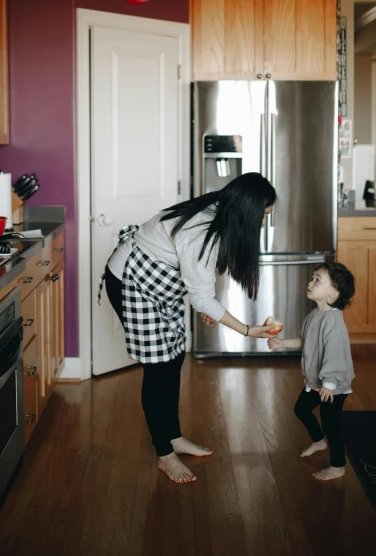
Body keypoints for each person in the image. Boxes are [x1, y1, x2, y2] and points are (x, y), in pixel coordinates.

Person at [100, 172, 276, 484]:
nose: (262, 223)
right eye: (262, 216)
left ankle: (173, 437)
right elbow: (202, 292)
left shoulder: (219, 211)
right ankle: (164, 454)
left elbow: (201, 280)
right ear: (246, 211)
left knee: (174, 358)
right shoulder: (199, 233)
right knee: (158, 367)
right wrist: (247, 330)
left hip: (161, 286)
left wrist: (209, 306)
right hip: (132, 283)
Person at [268, 262, 355, 481]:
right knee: (301, 409)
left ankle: (338, 465)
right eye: (312, 278)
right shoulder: (314, 315)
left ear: (333, 293)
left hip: (332, 385)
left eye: (318, 280)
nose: (310, 282)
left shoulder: (333, 322)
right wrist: (282, 344)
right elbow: (306, 341)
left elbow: (334, 354)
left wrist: (330, 384)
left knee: (331, 424)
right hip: (317, 381)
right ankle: (318, 441)